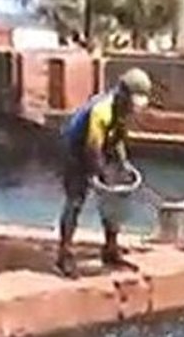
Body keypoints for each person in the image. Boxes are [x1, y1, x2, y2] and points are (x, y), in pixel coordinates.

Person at [56, 67, 152, 277]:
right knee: (75, 201)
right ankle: (64, 255)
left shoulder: (123, 111)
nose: (133, 108)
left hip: (100, 148)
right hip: (75, 150)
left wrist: (123, 163)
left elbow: (116, 138)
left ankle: (110, 249)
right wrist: (98, 174)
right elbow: (93, 147)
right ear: (123, 94)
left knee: (114, 199)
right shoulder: (102, 110)